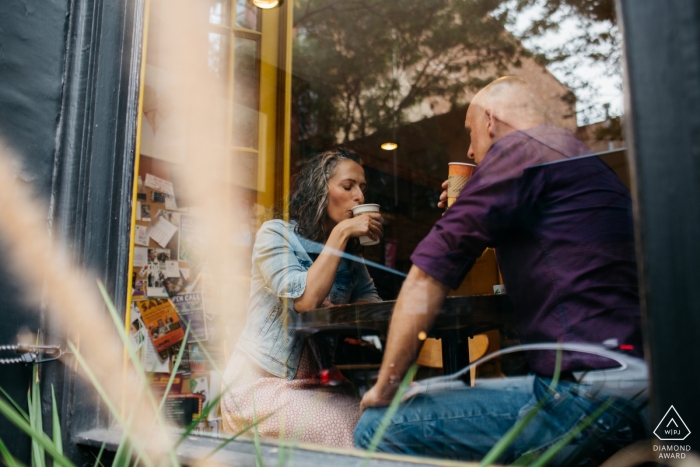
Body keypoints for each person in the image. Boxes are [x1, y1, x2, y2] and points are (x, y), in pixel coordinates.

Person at [354, 77, 646, 464]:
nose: (472, 151)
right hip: (642, 389)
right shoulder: (579, 158)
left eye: (471, 134)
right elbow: (553, 247)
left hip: (589, 398)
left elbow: (427, 274)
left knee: (378, 427)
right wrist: (474, 207)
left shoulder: (518, 150)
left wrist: (385, 386)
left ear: (491, 120)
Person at [222, 147, 383, 447]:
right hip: (259, 385)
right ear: (320, 192)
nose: (359, 196)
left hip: (320, 384)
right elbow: (306, 301)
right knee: (340, 428)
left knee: (373, 429)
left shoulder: (349, 258)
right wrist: (343, 232)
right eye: (348, 187)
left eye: (362, 188)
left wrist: (344, 308)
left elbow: (371, 304)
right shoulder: (274, 235)